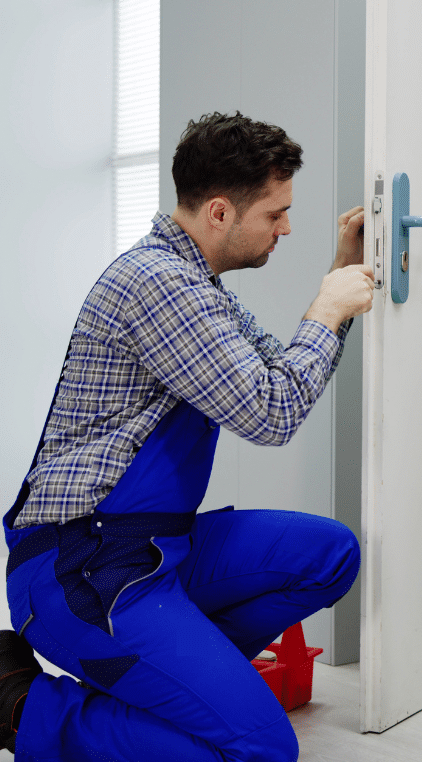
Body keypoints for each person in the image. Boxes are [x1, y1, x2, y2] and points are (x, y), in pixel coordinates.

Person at [0, 112, 375, 761]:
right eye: (276, 213)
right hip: (82, 570)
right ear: (222, 213)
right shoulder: (160, 285)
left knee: (332, 554)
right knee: (261, 751)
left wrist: (335, 280)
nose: (287, 227)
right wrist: (329, 307)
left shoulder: (200, 286)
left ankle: (178, 680)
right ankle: (22, 706)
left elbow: (279, 372)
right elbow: (272, 413)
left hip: (152, 550)